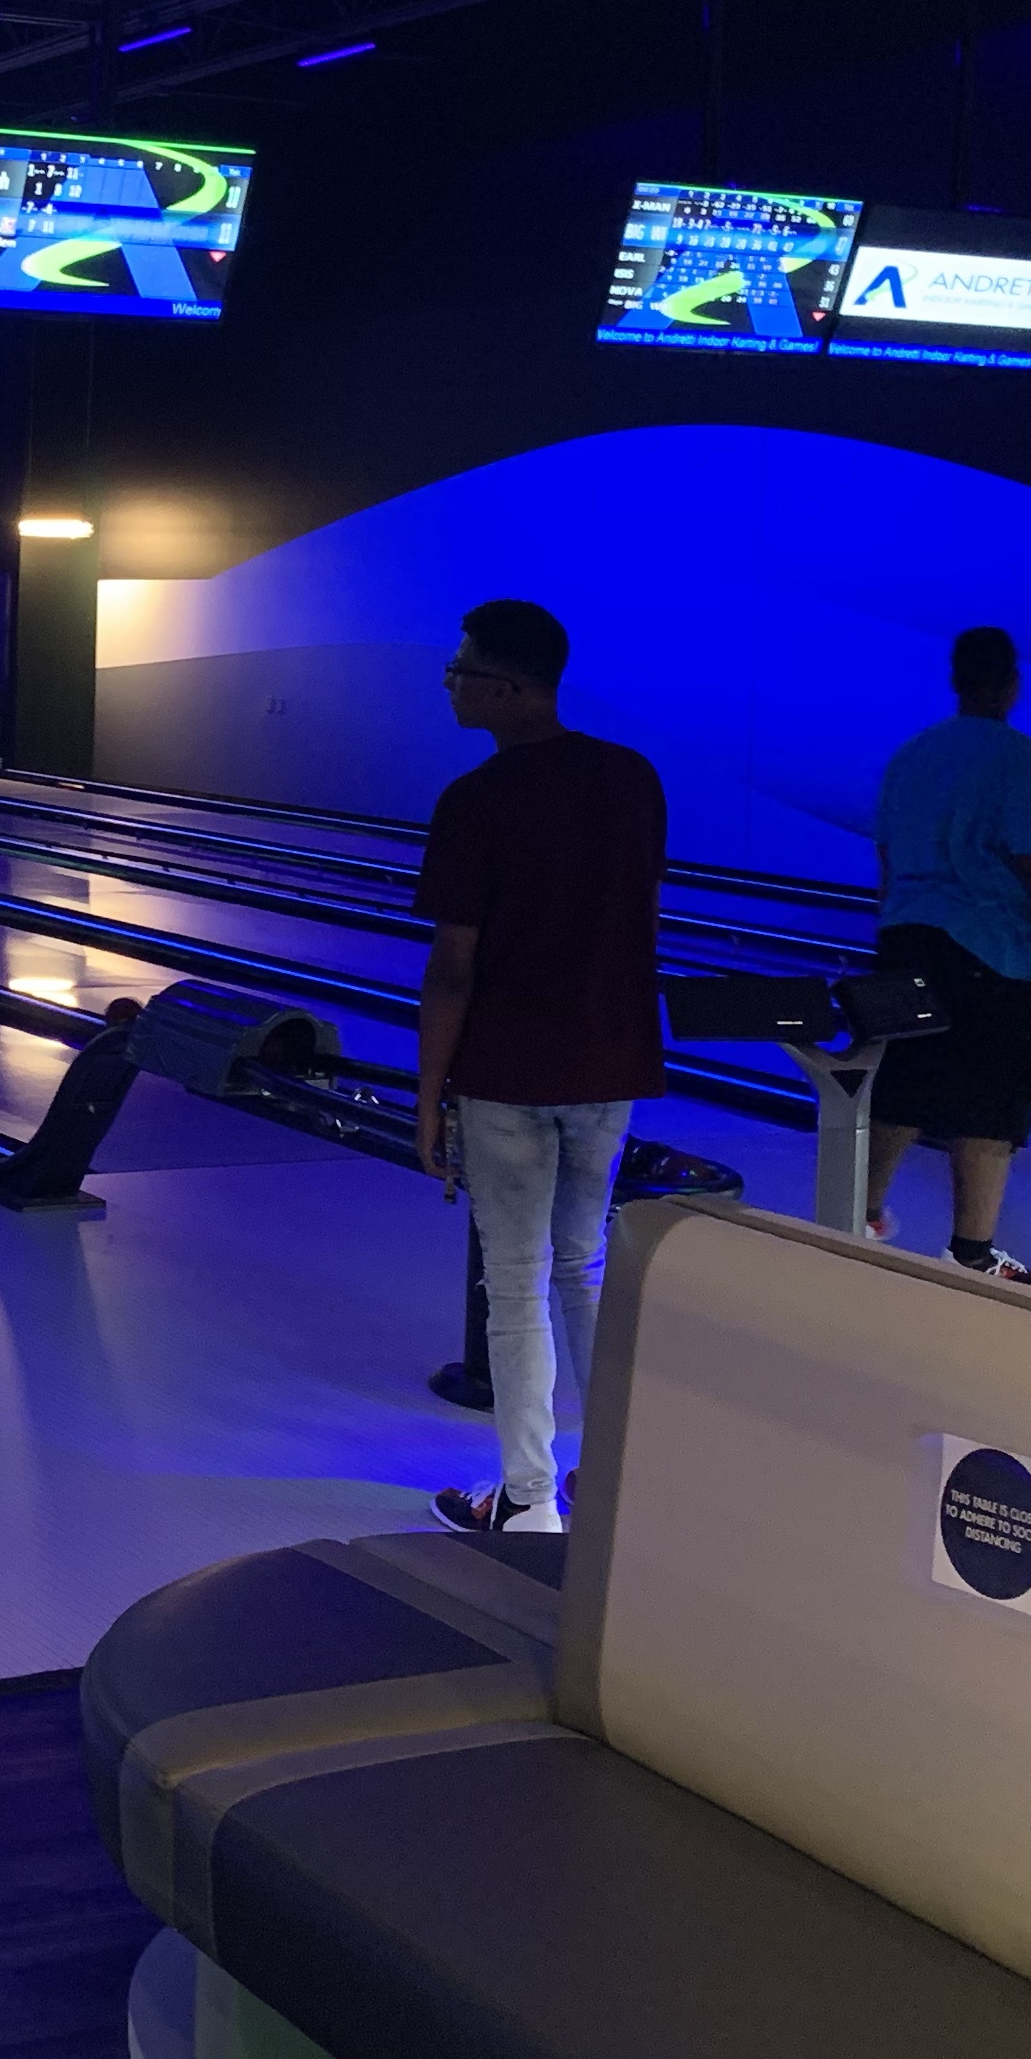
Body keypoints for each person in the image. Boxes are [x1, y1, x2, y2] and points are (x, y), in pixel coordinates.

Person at [414, 600, 664, 1535]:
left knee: (516, 1285)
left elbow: (453, 966)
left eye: (463, 670)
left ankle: (526, 1498)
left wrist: (429, 1098)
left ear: (511, 689)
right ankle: (612, 1481)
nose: (451, 683)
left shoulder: (474, 801)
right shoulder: (633, 778)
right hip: (609, 1064)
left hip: (509, 1071)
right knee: (583, 1267)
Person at [867, 624, 1031, 1288]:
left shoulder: (913, 756)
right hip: (996, 955)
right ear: (1012, 683)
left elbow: (888, 858)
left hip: (907, 938)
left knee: (899, 1088)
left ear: (955, 679)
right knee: (994, 1104)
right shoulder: (1022, 760)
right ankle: (973, 1252)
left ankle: (856, 1216)